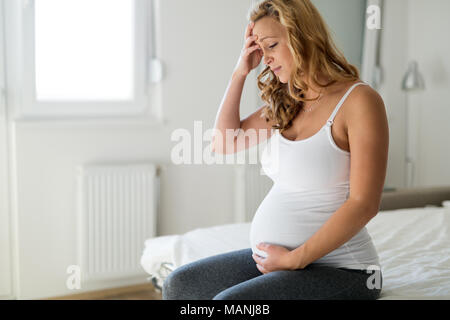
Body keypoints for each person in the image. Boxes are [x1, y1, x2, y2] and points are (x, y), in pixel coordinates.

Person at [162, 0, 388, 300]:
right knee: (180, 285)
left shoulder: (359, 101)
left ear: (302, 36)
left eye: (271, 45)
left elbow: (364, 203)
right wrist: (239, 73)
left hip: (344, 270)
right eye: (259, 48)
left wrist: (296, 259)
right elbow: (224, 143)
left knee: (231, 304)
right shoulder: (289, 100)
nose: (265, 58)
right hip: (282, 263)